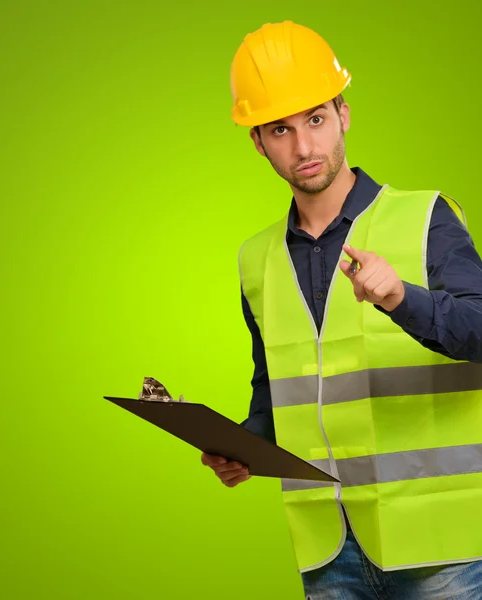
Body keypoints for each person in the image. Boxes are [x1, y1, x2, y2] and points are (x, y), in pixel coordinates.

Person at [201, 20, 482, 599]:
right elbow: (279, 387)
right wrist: (244, 445)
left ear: (344, 114)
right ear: (257, 141)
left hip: (438, 548)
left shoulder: (425, 218)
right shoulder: (257, 258)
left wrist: (403, 299)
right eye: (279, 129)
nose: (304, 147)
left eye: (316, 119)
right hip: (329, 549)